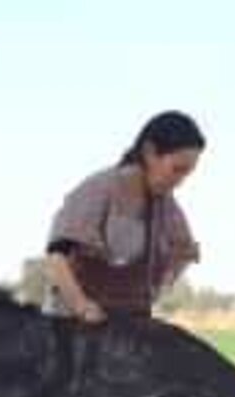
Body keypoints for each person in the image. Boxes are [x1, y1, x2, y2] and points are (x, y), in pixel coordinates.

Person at [43, 110, 205, 323]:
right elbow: (56, 258)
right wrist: (81, 307)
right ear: (149, 153)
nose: (181, 181)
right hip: (74, 326)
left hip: (131, 325)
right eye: (177, 169)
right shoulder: (98, 189)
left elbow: (183, 253)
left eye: (187, 174)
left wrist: (161, 285)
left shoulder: (168, 208)